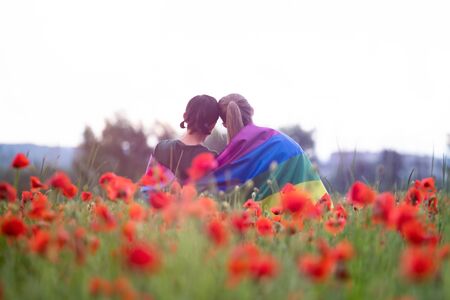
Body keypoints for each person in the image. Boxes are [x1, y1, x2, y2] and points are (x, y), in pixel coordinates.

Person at [208, 93, 329, 209]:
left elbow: (210, 190)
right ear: (251, 111)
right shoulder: (283, 142)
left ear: (225, 124)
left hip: (258, 225)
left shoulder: (227, 160)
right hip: (300, 220)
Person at [145, 95, 220, 183]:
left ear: (185, 116)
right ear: (213, 125)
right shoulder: (211, 159)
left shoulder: (161, 148)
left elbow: (148, 186)